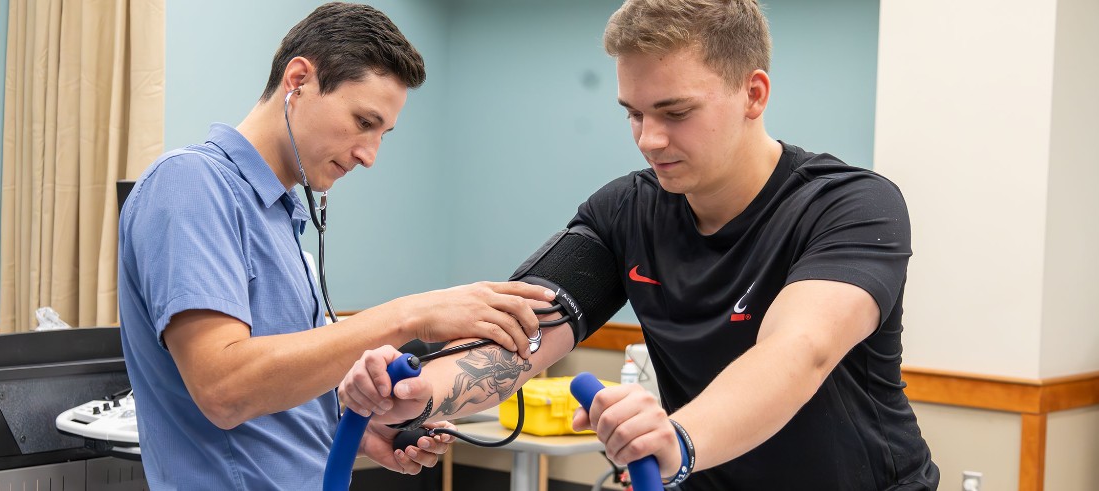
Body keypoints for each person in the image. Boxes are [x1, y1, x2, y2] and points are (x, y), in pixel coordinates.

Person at [337, 0, 939, 489]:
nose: (649, 139)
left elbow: (800, 349)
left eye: (675, 112)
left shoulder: (851, 206)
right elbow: (521, 331)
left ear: (754, 94)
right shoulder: (626, 210)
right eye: (634, 113)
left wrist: (679, 440)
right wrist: (420, 393)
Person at [116, 3, 555, 489]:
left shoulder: (279, 216)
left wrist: (356, 429)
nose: (369, 156)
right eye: (363, 121)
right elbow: (225, 389)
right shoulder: (190, 183)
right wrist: (410, 315)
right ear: (298, 80)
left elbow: (274, 399)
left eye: (382, 134)